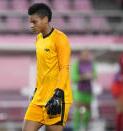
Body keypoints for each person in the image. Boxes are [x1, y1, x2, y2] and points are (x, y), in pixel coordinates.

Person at [22, 3, 73, 131]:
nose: (31, 25)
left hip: (56, 98)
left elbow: (64, 68)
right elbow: (42, 69)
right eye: (30, 22)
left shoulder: (60, 39)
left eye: (35, 22)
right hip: (39, 98)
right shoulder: (38, 39)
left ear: (45, 19)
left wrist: (58, 94)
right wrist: (36, 89)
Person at [71, 49, 97, 131]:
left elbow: (95, 75)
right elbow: (74, 78)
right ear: (81, 55)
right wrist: (84, 77)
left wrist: (91, 76)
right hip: (79, 91)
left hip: (88, 91)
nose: (86, 56)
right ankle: (76, 128)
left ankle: (85, 128)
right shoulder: (76, 64)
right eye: (84, 54)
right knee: (78, 111)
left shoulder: (92, 63)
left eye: (88, 55)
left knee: (87, 112)